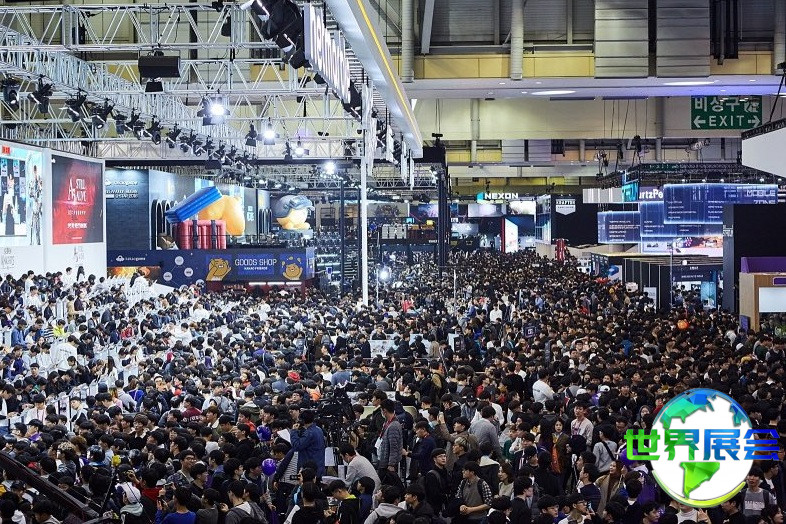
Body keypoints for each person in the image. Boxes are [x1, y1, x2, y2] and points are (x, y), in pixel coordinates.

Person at [289, 410, 327, 478]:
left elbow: (297, 446)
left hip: (309, 470)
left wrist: (294, 431)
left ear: (302, 420)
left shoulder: (309, 433)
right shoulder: (318, 429)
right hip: (319, 466)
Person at [377, 399, 403, 478]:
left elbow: (394, 447)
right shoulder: (387, 422)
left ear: (384, 410)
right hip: (384, 459)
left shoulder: (393, 426)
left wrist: (391, 464)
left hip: (388, 463)